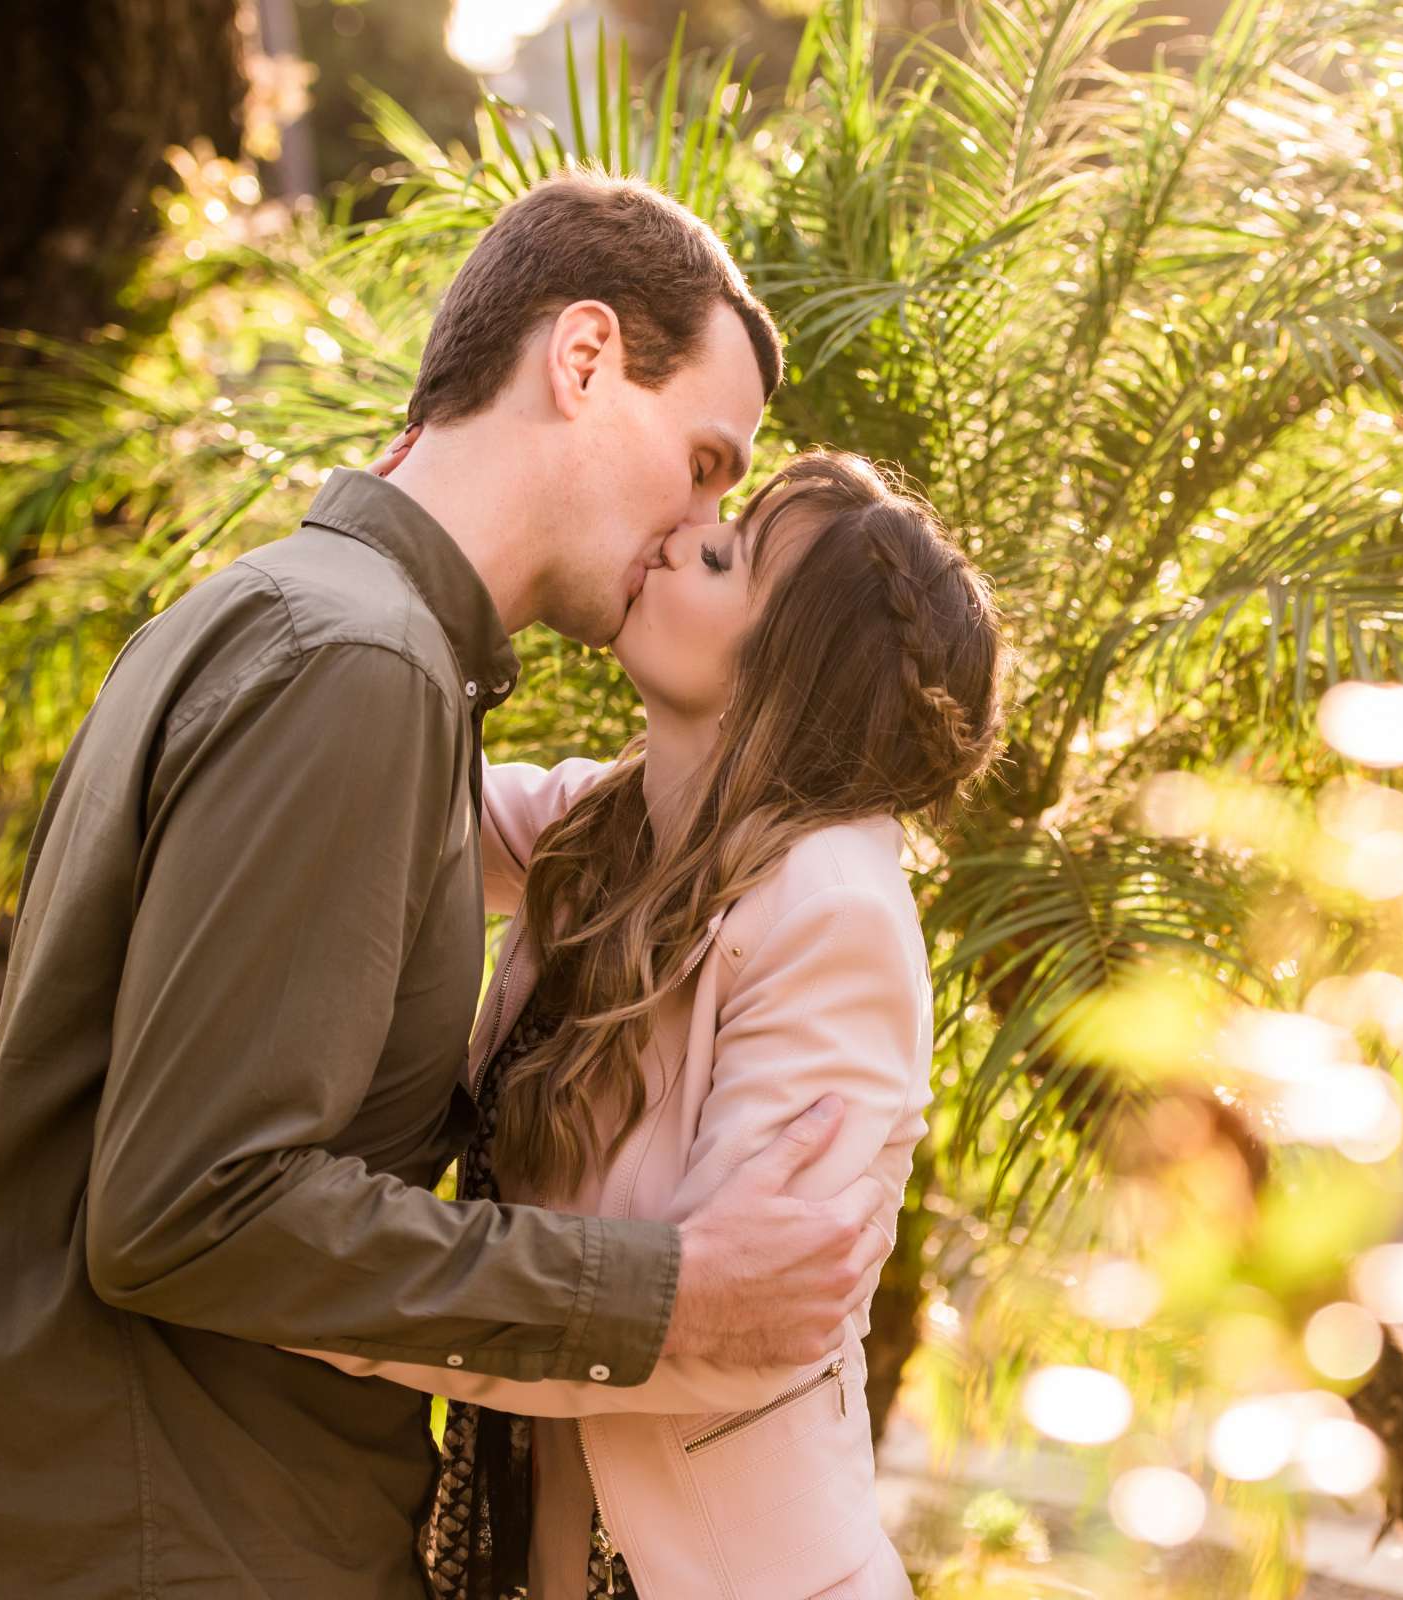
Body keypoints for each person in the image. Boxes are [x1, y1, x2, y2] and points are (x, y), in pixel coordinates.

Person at [0, 174, 889, 1600]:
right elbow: (197, 1207)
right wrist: (669, 1300)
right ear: (585, 358)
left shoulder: (299, 623)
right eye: (707, 460)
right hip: (178, 1550)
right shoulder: (355, 666)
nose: (695, 517)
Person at [308, 448, 1007, 1599]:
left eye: (726, 554)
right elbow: (411, 792)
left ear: (784, 673)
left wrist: (305, 1280)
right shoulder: (620, 824)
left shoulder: (832, 910)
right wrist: (391, 528)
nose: (683, 532)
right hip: (517, 1545)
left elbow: (729, 1319)